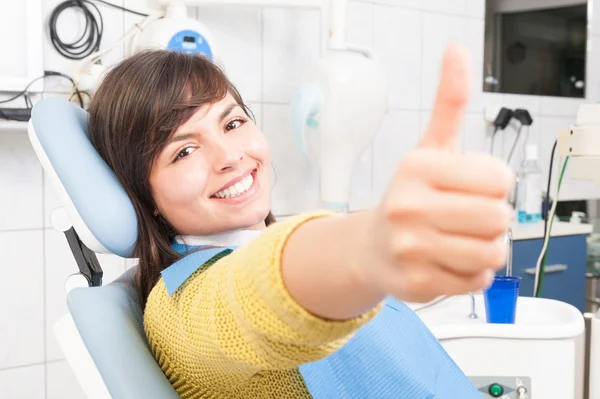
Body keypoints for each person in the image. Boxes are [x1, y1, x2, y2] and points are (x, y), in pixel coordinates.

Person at [87, 44, 513, 398]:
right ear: (146, 196)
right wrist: (369, 248)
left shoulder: (271, 238)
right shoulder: (182, 312)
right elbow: (257, 294)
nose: (230, 156)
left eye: (233, 123)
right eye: (183, 151)